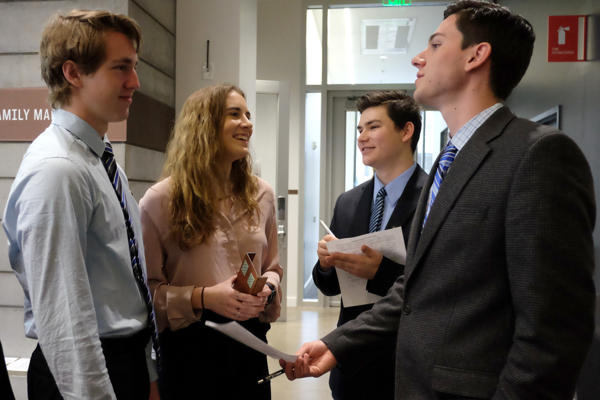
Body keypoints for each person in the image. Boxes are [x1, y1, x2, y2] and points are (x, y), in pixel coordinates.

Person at [281, 1, 596, 399]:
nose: (418, 57)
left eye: (434, 44)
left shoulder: (538, 155)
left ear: (476, 55)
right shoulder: (451, 162)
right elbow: (415, 293)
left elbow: (554, 330)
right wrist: (337, 343)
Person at [2, 10, 160, 400]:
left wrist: (149, 374)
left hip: (124, 362)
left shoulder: (98, 158)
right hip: (86, 376)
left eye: (134, 67)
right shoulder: (59, 170)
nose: (135, 82)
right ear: (73, 73)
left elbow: (125, 286)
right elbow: (65, 321)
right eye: (121, 68)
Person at [139, 83, 283, 400]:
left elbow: (272, 267)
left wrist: (268, 289)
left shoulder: (263, 194)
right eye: (235, 114)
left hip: (250, 347)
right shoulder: (159, 201)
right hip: (190, 354)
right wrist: (204, 298)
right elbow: (147, 295)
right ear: (204, 125)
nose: (248, 122)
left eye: (248, 114)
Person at [312, 91, 427, 400]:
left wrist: (382, 272)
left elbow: (437, 286)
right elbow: (330, 287)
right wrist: (325, 265)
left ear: (406, 131)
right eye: (360, 129)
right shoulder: (348, 202)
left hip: (405, 362)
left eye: (373, 127)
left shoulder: (435, 200)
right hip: (351, 362)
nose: (362, 137)